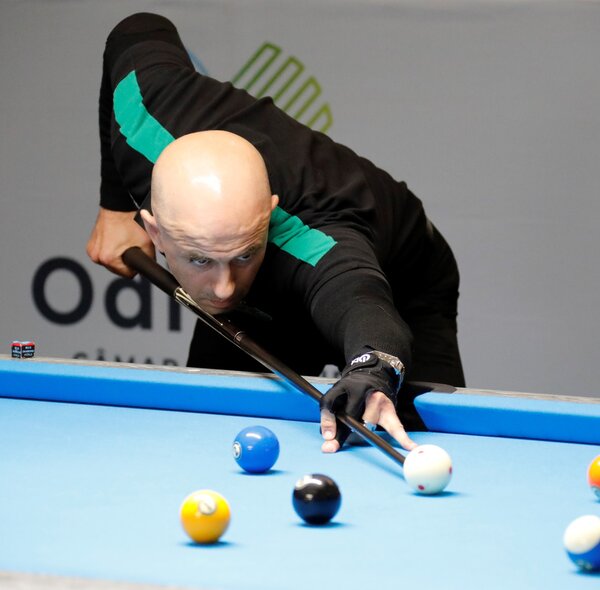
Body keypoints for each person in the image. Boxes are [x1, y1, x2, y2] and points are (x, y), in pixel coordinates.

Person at [87, 12, 465, 454]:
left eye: (242, 255)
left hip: (403, 283)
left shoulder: (311, 241)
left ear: (268, 215)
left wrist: (374, 367)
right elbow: (137, 27)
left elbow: (361, 299)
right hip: (268, 290)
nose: (224, 288)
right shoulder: (143, 114)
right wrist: (115, 207)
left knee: (413, 427)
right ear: (154, 228)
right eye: (200, 259)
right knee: (208, 425)